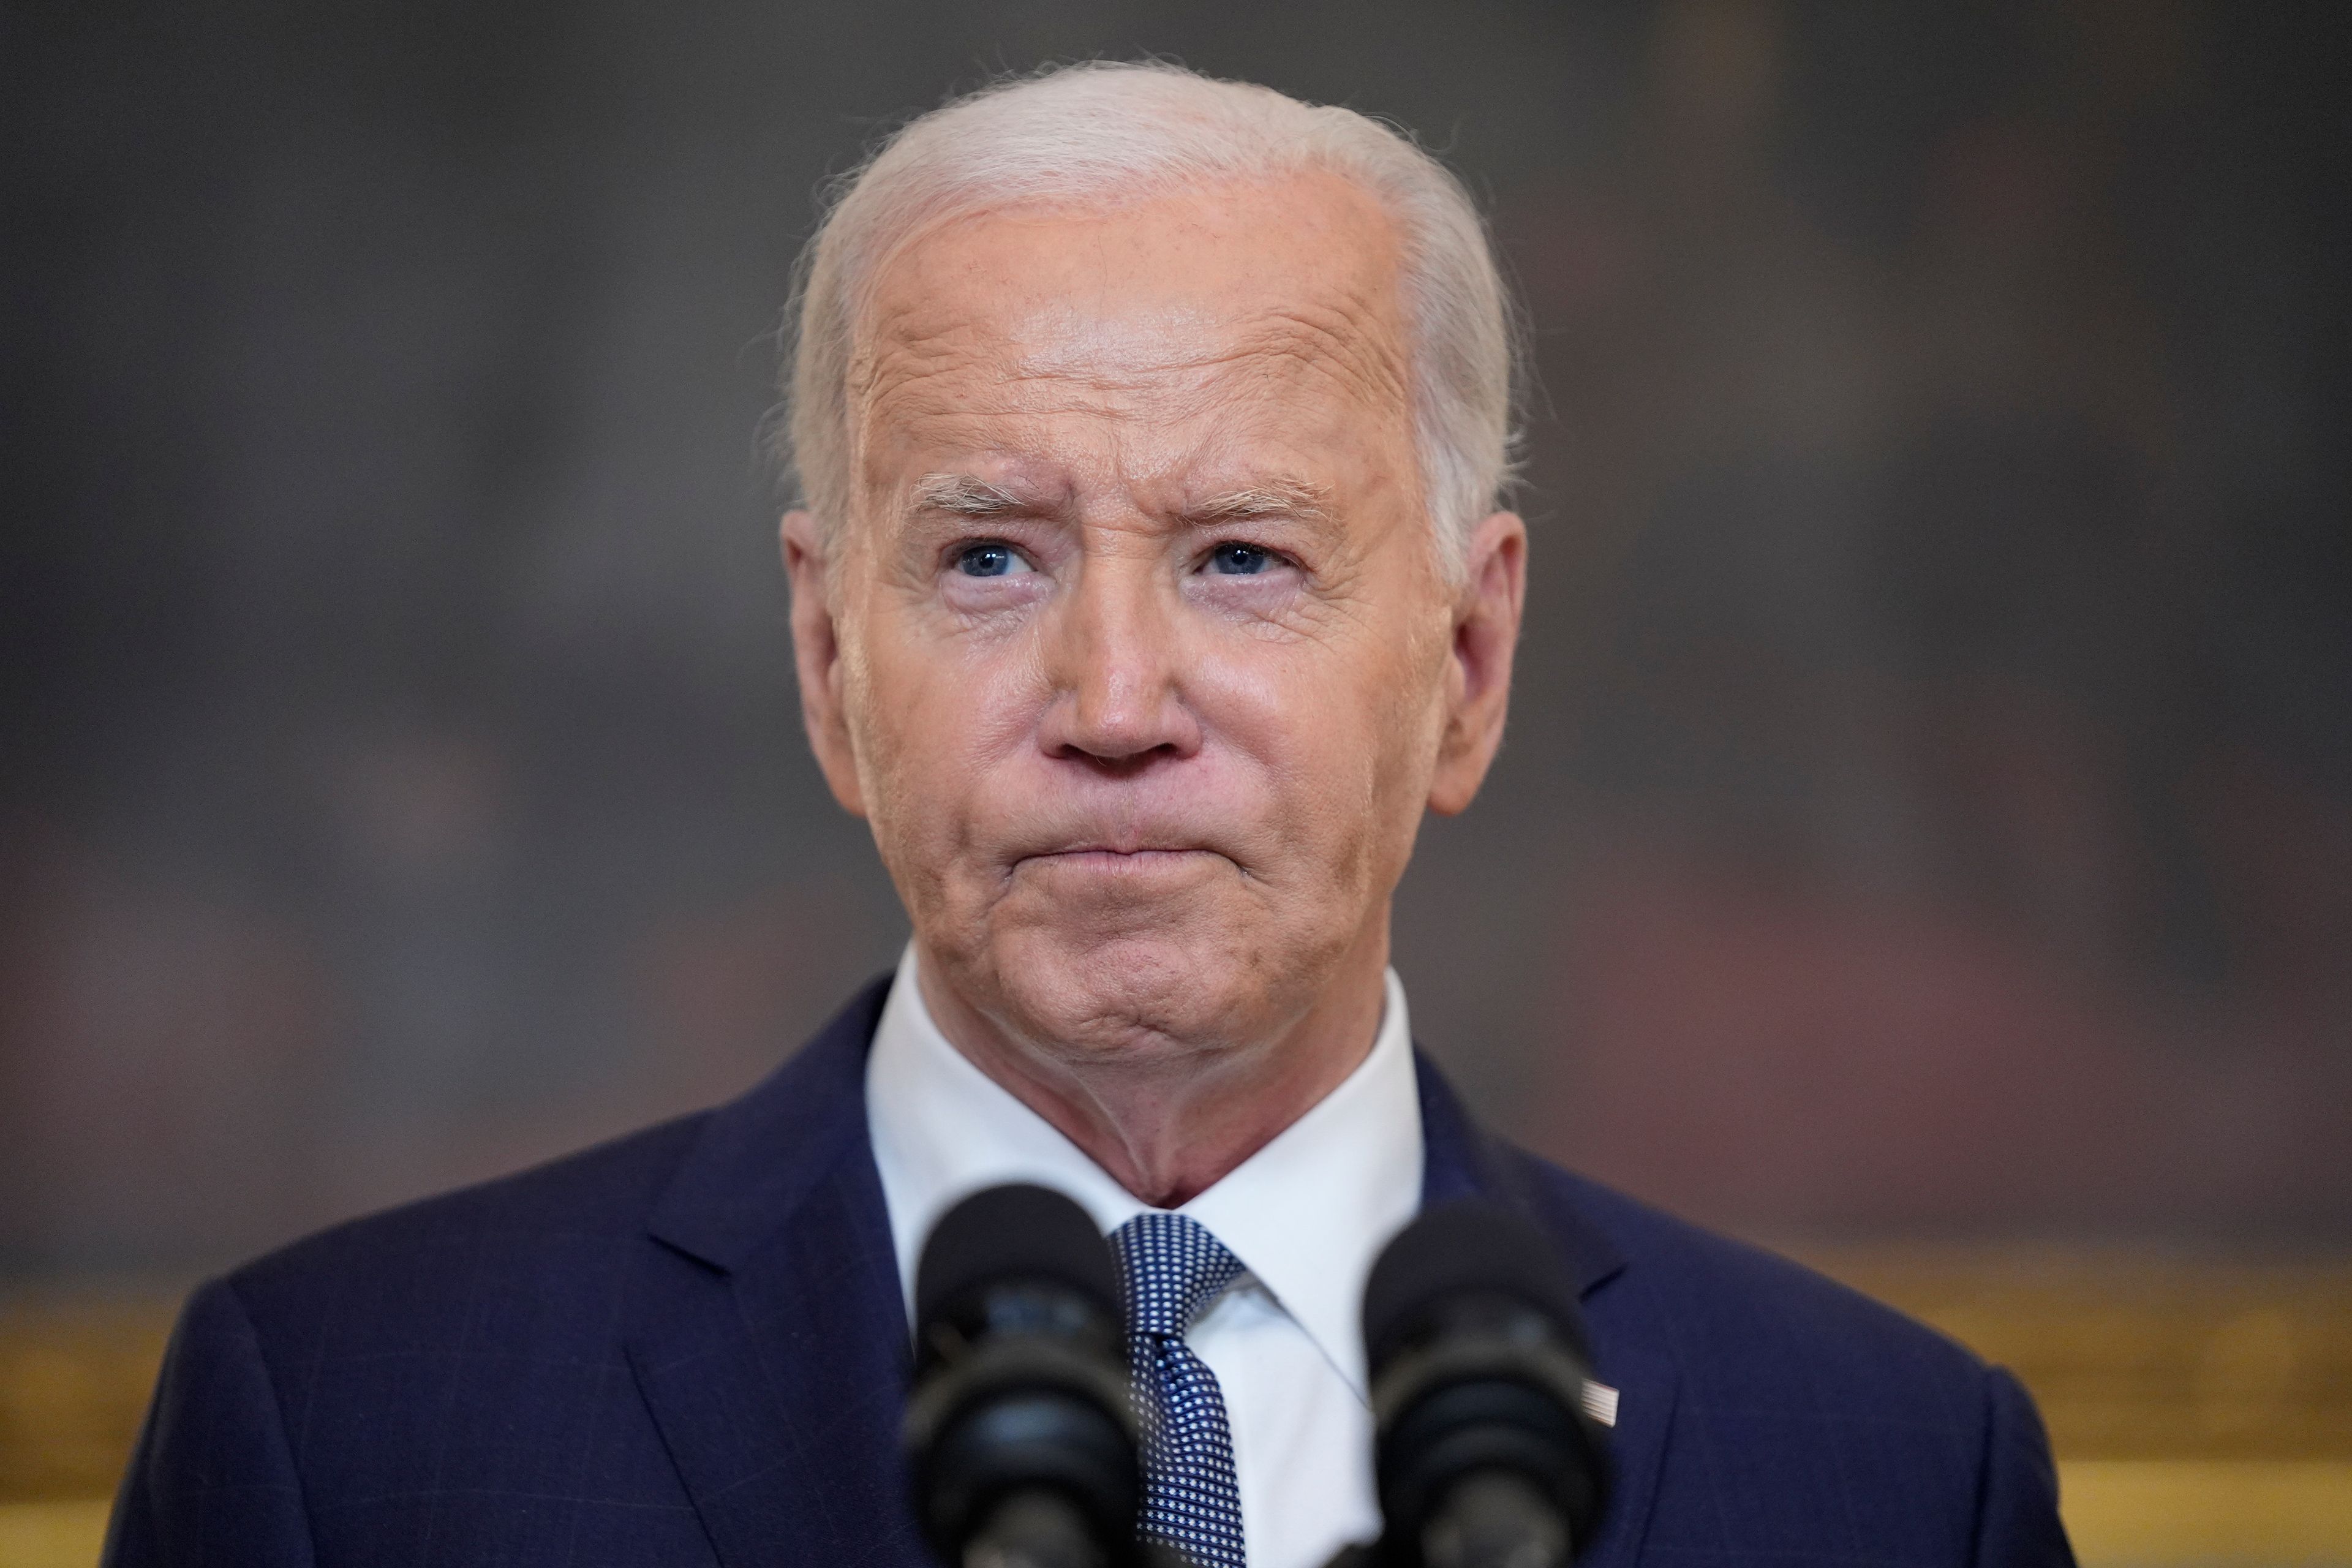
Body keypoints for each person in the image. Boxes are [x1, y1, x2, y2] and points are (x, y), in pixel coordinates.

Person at [106, 61, 2073, 1568]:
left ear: (1466, 664)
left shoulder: (1889, 1480)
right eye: (986, 559)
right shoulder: (348, 1434)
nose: (1115, 704)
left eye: (1238, 556)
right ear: (825, 664)